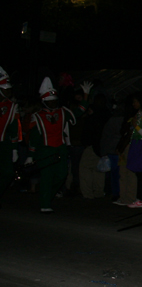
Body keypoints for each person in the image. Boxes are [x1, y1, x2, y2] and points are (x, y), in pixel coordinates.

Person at [25, 77, 89, 212]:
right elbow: (34, 138)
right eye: (50, 101)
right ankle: (45, 203)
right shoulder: (37, 117)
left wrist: (86, 96)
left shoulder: (63, 112)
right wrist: (30, 155)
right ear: (43, 101)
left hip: (60, 149)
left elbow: (79, 112)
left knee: (62, 175)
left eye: (54, 101)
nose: (53, 103)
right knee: (47, 177)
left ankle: (47, 196)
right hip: (45, 150)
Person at [0, 66, 21, 205]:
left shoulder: (12, 106)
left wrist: (14, 148)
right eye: (4, 88)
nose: (8, 91)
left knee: (8, 173)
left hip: (4, 144)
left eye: (9, 88)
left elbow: (14, 128)